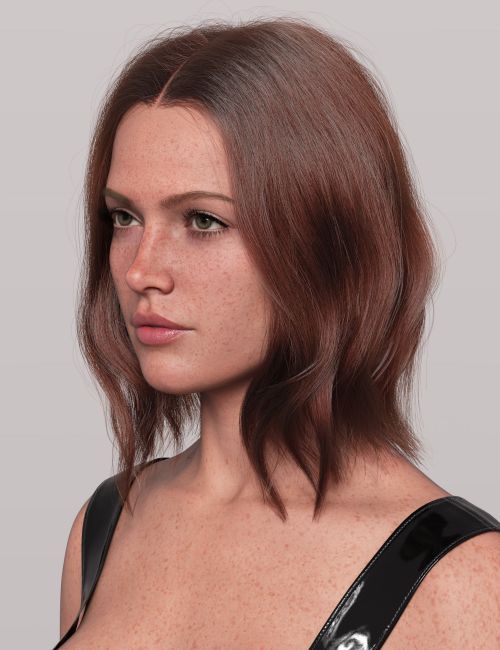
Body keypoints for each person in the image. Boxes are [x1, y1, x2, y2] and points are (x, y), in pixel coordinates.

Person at [52, 16, 500, 649]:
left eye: (202, 220)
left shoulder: (460, 583)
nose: (141, 270)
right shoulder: (104, 527)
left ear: (327, 239)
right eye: (125, 217)